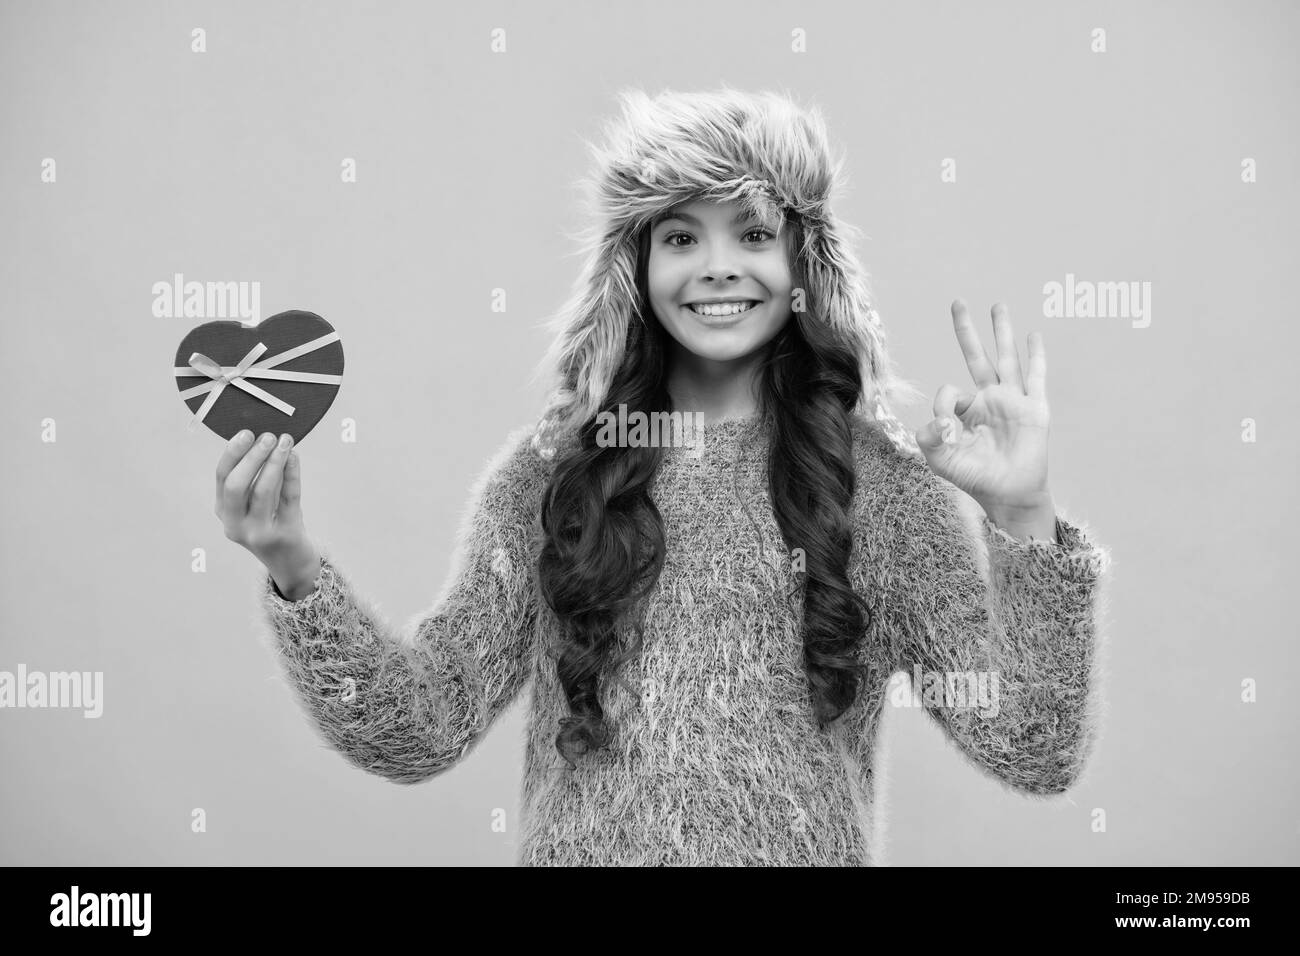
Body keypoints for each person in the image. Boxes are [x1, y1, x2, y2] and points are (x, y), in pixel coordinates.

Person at [214, 85, 1112, 866]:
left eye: (753, 232)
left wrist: (1024, 516)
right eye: (682, 235)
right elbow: (419, 726)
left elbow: (1033, 748)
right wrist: (295, 570)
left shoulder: (877, 490)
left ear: (804, 266)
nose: (718, 263)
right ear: (636, 272)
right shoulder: (552, 479)